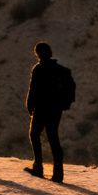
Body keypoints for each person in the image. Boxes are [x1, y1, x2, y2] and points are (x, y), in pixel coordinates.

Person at [25, 41, 73, 182]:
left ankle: (38, 167)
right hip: (55, 108)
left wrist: (29, 106)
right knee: (53, 137)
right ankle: (58, 173)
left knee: (34, 134)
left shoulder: (38, 69)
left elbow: (32, 89)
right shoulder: (60, 69)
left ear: (38, 53)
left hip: (41, 108)